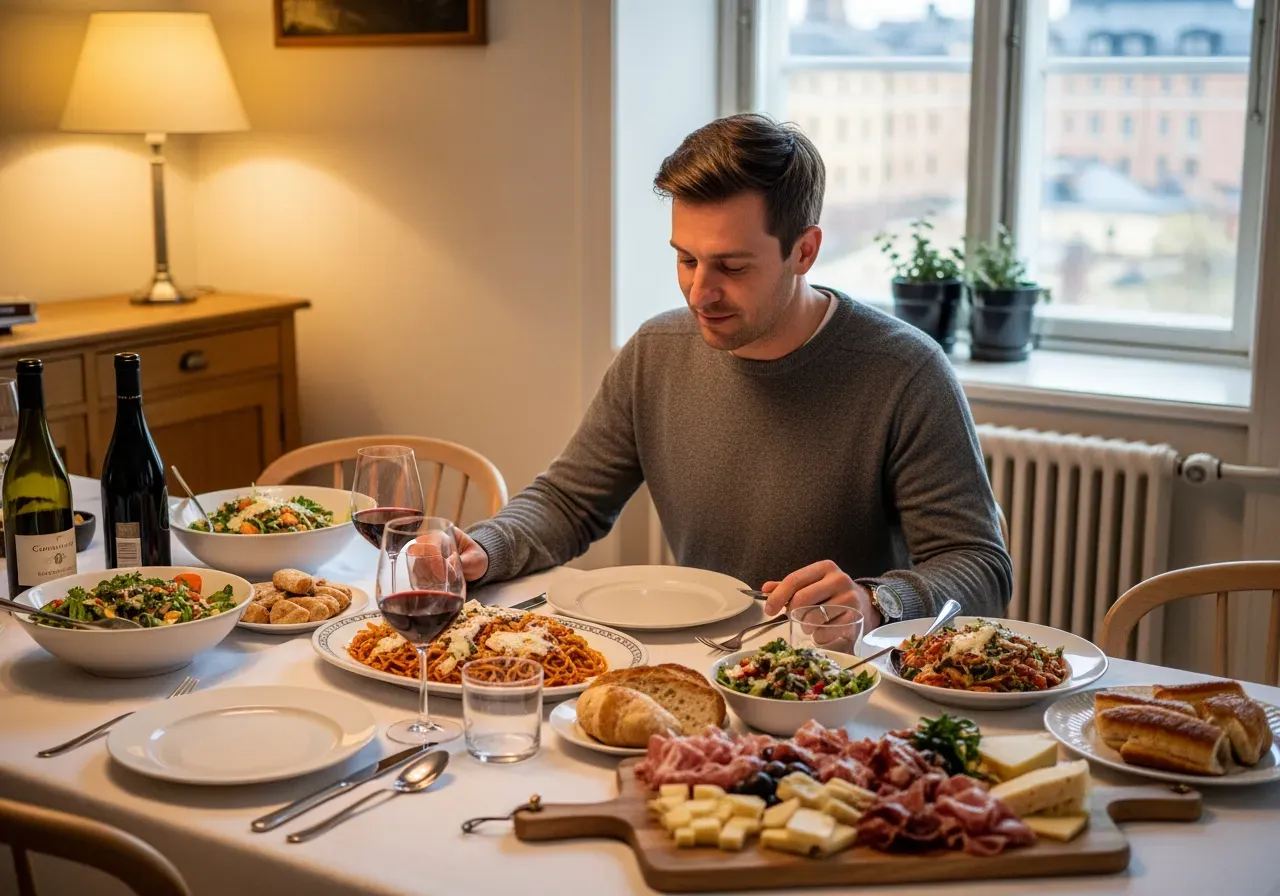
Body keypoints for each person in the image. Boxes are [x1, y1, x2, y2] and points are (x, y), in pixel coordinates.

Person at [457, 112, 1011, 630]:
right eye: (686, 259)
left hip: (842, 680)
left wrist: (876, 600)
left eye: (732, 266)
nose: (700, 293)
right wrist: (485, 549)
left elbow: (981, 565)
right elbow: (570, 502)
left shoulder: (903, 371)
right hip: (702, 657)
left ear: (805, 251)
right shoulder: (657, 349)